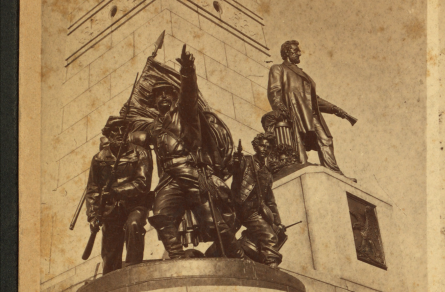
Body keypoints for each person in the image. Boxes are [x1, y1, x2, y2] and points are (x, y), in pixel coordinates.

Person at [147, 45, 246, 260]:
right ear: (154, 101)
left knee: (213, 223)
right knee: (162, 215)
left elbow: (190, 94)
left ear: (174, 97)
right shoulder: (154, 125)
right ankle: (176, 256)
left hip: (192, 173)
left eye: (168, 93)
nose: (163, 96)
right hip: (169, 179)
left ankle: (239, 256)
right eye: (158, 94)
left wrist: (187, 71)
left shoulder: (184, 113)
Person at [266, 40, 354, 178]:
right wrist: (281, 110)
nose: (300, 53)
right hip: (294, 111)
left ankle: (334, 172)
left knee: (326, 139)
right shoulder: (278, 69)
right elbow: (274, 91)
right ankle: (302, 164)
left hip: (311, 114)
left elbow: (315, 100)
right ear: (287, 53)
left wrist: (335, 109)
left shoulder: (303, 74)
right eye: (296, 51)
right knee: (298, 139)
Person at [85, 116, 153, 274]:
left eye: (123, 129)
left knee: (134, 225)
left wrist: (116, 190)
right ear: (108, 134)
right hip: (111, 210)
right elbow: (92, 189)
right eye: (115, 130)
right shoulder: (99, 158)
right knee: (110, 255)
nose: (120, 132)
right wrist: (93, 216)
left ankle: (133, 269)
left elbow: (142, 184)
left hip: (135, 205)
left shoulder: (140, 152)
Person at [231, 133, 285, 268]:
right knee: (225, 234)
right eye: (261, 145)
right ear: (255, 146)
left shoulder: (267, 173)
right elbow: (236, 172)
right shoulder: (246, 160)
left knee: (269, 235)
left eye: (268, 147)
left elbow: (270, 201)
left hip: (252, 211)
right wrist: (236, 162)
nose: (264, 149)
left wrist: (277, 222)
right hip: (237, 207)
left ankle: (271, 263)